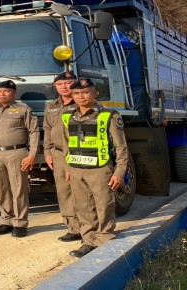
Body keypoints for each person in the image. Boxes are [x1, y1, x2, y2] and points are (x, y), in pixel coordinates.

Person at [64, 78, 129, 258]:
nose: (80, 96)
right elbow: (66, 144)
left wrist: (119, 171)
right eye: (76, 93)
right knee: (83, 207)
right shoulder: (68, 116)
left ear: (95, 93)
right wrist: (68, 168)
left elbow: (121, 147)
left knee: (104, 206)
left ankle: (104, 242)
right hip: (77, 168)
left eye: (85, 92)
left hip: (100, 168)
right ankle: (88, 242)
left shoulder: (109, 115)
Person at [0, 80, 39, 238]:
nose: (2, 94)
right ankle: (6, 221)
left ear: (14, 93)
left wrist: (31, 155)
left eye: (6, 91)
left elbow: (34, 132)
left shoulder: (23, 109)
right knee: (2, 188)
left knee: (19, 189)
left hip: (17, 153)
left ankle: (20, 223)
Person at [43, 70, 82, 242]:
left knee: (81, 191)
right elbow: (47, 129)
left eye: (68, 83)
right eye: (60, 84)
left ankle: (88, 227)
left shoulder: (82, 103)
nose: (64, 86)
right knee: (64, 191)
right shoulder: (51, 106)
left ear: (75, 83)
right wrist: (47, 151)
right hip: (57, 153)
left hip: (78, 152)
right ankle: (73, 228)